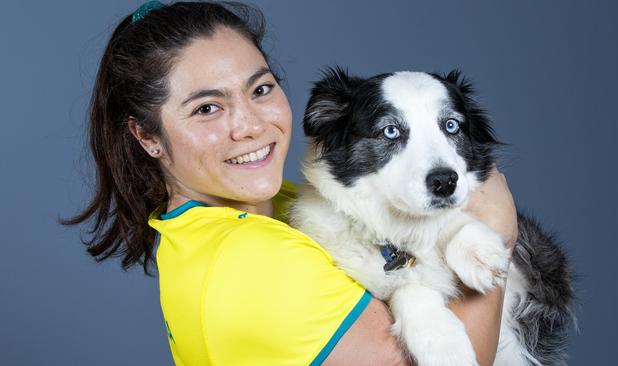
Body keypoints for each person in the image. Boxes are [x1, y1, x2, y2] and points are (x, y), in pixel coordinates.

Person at [63, 1, 518, 365]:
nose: (251, 126)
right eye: (207, 108)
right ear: (147, 137)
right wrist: (497, 231)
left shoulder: (258, 211)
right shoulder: (250, 259)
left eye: (260, 89)